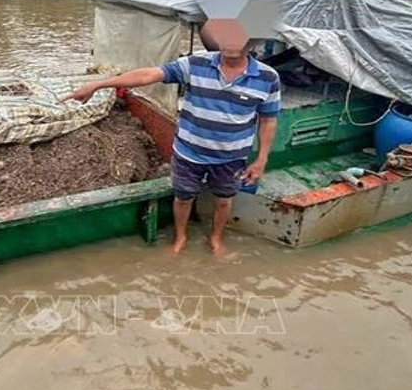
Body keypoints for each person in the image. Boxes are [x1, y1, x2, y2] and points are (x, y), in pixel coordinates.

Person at [65, 31, 280, 258]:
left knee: (224, 200)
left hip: (231, 157)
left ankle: (215, 238)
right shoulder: (196, 63)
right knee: (183, 198)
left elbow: (268, 120)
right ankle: (180, 238)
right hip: (188, 153)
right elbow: (149, 74)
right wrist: (99, 84)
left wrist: (261, 159)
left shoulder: (268, 78)